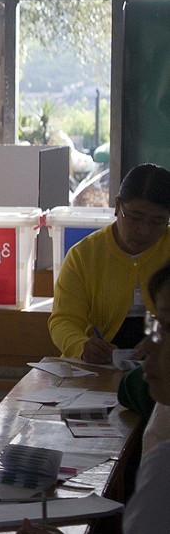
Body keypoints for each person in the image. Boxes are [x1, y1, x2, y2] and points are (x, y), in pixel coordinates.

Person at [0, 258, 170, 534]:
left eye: (166, 329)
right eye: (154, 325)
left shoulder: (166, 468)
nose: (148, 345)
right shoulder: (88, 254)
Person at [48, 163, 170, 420]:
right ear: (116, 206)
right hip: (98, 368)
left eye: (158, 222)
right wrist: (81, 345)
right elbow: (63, 320)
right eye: (135, 217)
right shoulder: (84, 255)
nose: (144, 231)